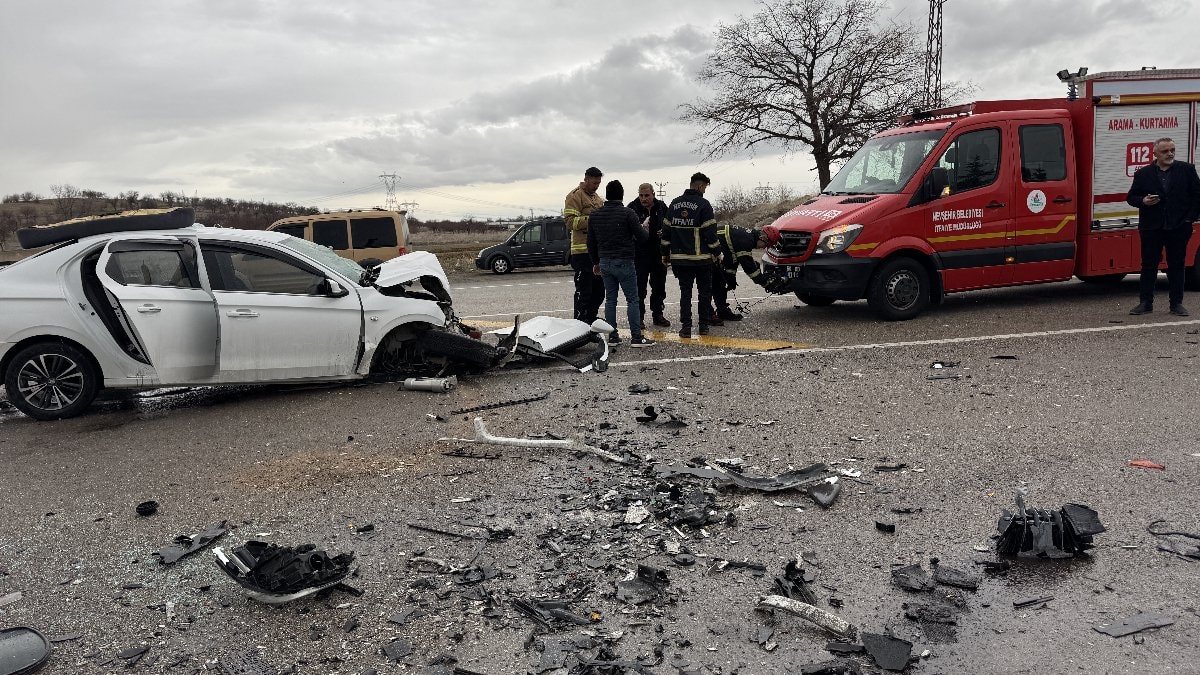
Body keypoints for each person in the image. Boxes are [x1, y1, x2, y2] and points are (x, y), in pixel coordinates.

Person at [1126, 137, 1200, 316]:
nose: (1170, 154)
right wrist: (1143, 201)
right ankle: (1145, 303)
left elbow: (1197, 196)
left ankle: (1176, 304)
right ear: (1155, 154)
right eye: (1165, 151)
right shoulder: (1143, 174)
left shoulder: (1187, 170)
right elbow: (1131, 197)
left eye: (1172, 150)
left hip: (1179, 227)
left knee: (1177, 265)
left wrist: (1189, 219)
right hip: (1152, 227)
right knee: (1149, 265)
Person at [587, 180, 655, 347]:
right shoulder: (628, 213)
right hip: (625, 261)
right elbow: (642, 237)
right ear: (622, 195)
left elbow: (591, 242)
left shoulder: (595, 215)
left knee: (611, 300)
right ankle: (637, 338)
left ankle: (613, 337)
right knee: (632, 299)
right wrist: (644, 227)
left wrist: (595, 262)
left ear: (606, 195)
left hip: (605, 262)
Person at [662, 172, 722, 338]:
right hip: (702, 260)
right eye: (705, 188)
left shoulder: (674, 204)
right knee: (704, 293)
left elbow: (666, 233)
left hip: (680, 260)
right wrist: (718, 253)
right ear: (700, 186)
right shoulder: (704, 204)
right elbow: (710, 234)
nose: (704, 191)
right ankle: (703, 326)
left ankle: (686, 328)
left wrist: (664, 254)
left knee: (685, 293)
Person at [565, 167, 606, 323]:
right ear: (586, 179)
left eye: (599, 183)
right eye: (594, 183)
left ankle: (591, 317)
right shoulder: (574, 196)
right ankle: (580, 322)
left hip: (596, 252)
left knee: (599, 291)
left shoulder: (597, 198)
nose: (596, 186)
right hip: (581, 253)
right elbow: (570, 222)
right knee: (584, 291)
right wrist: (592, 220)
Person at [705, 225, 772, 321]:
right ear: (762, 238)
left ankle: (722, 312)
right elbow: (749, 267)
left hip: (716, 251)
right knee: (713, 283)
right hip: (709, 252)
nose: (763, 248)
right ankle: (708, 314)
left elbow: (732, 258)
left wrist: (730, 276)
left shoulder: (748, 237)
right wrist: (764, 282)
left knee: (720, 282)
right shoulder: (746, 240)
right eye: (766, 245)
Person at [628, 183, 671, 328]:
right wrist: (639, 230)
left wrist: (664, 232)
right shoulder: (632, 208)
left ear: (653, 194)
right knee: (639, 288)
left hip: (658, 253)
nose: (644, 198)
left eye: (647, 195)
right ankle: (639, 317)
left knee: (659, 286)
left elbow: (670, 225)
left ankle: (658, 314)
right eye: (641, 195)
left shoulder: (661, 206)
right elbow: (625, 232)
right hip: (639, 254)